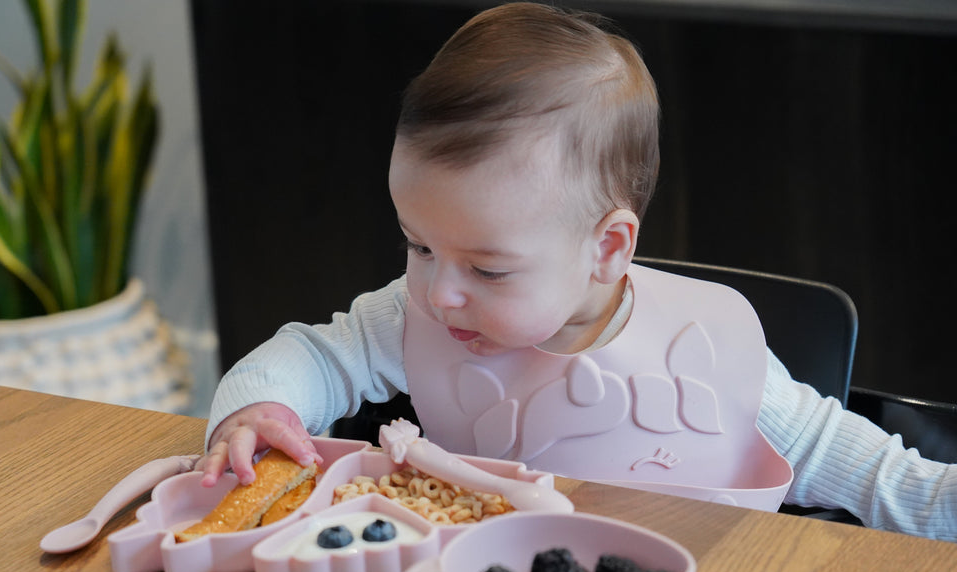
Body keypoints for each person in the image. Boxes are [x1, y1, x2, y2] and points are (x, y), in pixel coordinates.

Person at [199, 2, 957, 540]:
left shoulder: (710, 356)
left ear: (608, 248)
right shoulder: (419, 316)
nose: (439, 291)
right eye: (419, 245)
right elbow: (310, 355)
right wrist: (253, 410)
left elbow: (860, 470)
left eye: (489, 270)